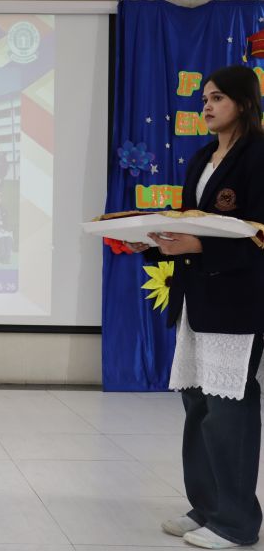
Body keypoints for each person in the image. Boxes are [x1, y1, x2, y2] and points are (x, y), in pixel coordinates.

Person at [126, 65, 264, 549]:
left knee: (229, 410)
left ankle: (237, 521)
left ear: (243, 103)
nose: (206, 106)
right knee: (198, 405)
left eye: (217, 98)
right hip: (196, 298)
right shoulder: (203, 157)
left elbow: (258, 234)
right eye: (204, 98)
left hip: (237, 302)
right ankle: (206, 506)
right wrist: (151, 243)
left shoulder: (258, 156)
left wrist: (201, 247)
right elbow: (190, 229)